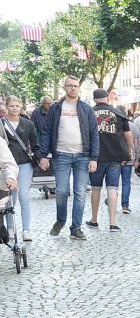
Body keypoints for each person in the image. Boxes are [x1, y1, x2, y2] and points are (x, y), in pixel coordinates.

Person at [39, 76, 99, 241]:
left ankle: (76, 227)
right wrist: (44, 155)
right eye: (70, 86)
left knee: (80, 192)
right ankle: (60, 220)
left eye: (76, 86)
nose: (73, 88)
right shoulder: (55, 108)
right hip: (61, 155)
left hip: (82, 156)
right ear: (64, 87)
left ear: (79, 88)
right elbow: (46, 132)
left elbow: (94, 134)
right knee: (61, 191)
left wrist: (94, 157)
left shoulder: (87, 109)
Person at [87, 88, 132, 232]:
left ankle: (94, 220)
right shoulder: (119, 113)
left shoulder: (89, 113)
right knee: (112, 188)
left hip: (96, 158)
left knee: (95, 188)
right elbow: (128, 135)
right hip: (115, 157)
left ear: (94, 99)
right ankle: (113, 223)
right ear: (107, 98)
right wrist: (128, 152)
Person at [2, 96, 40, 241]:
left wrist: (40, 158)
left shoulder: (28, 124)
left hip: (24, 163)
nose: (15, 108)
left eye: (17, 106)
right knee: (10, 198)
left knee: (24, 195)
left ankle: (26, 229)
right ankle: (10, 228)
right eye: (11, 106)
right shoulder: (1, 123)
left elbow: (35, 144)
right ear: (6, 107)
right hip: (7, 165)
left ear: (21, 107)